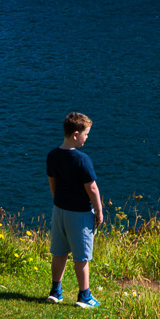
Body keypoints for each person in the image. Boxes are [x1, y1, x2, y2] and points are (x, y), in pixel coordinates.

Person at [45, 111, 104, 306]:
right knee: (82, 255)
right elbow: (92, 188)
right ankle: (84, 296)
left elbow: (52, 181)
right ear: (76, 134)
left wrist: (58, 200)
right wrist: (99, 211)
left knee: (59, 252)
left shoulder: (53, 155)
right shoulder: (82, 159)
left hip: (59, 210)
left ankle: (56, 291)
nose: (86, 139)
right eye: (86, 134)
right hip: (79, 214)